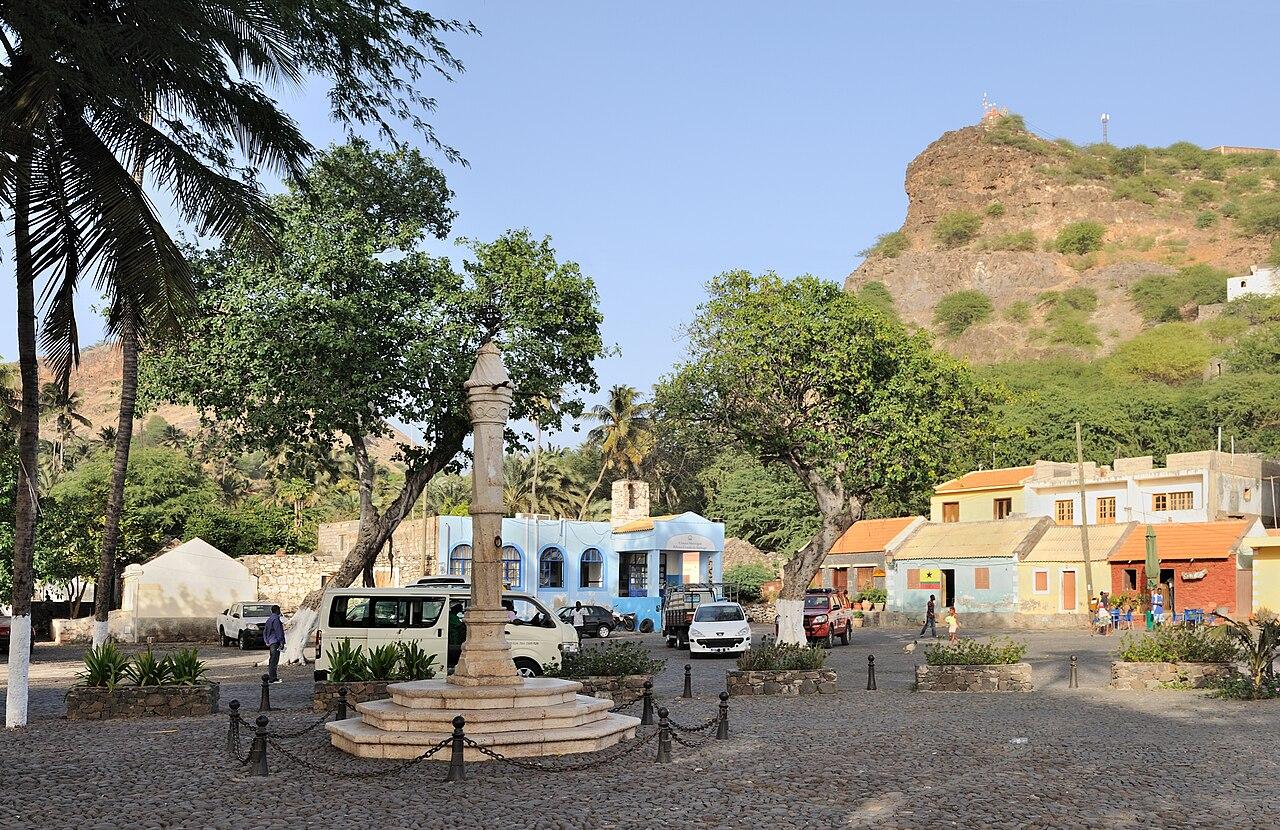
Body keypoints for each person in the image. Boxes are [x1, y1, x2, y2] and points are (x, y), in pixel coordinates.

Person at [263, 605, 285, 684]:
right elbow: (278, 631)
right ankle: (273, 678)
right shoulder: (276, 619)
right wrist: (282, 642)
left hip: (271, 641)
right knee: (274, 660)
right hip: (275, 641)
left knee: (272, 659)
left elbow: (265, 631)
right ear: (277, 610)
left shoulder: (269, 619)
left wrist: (266, 641)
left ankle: (272, 676)